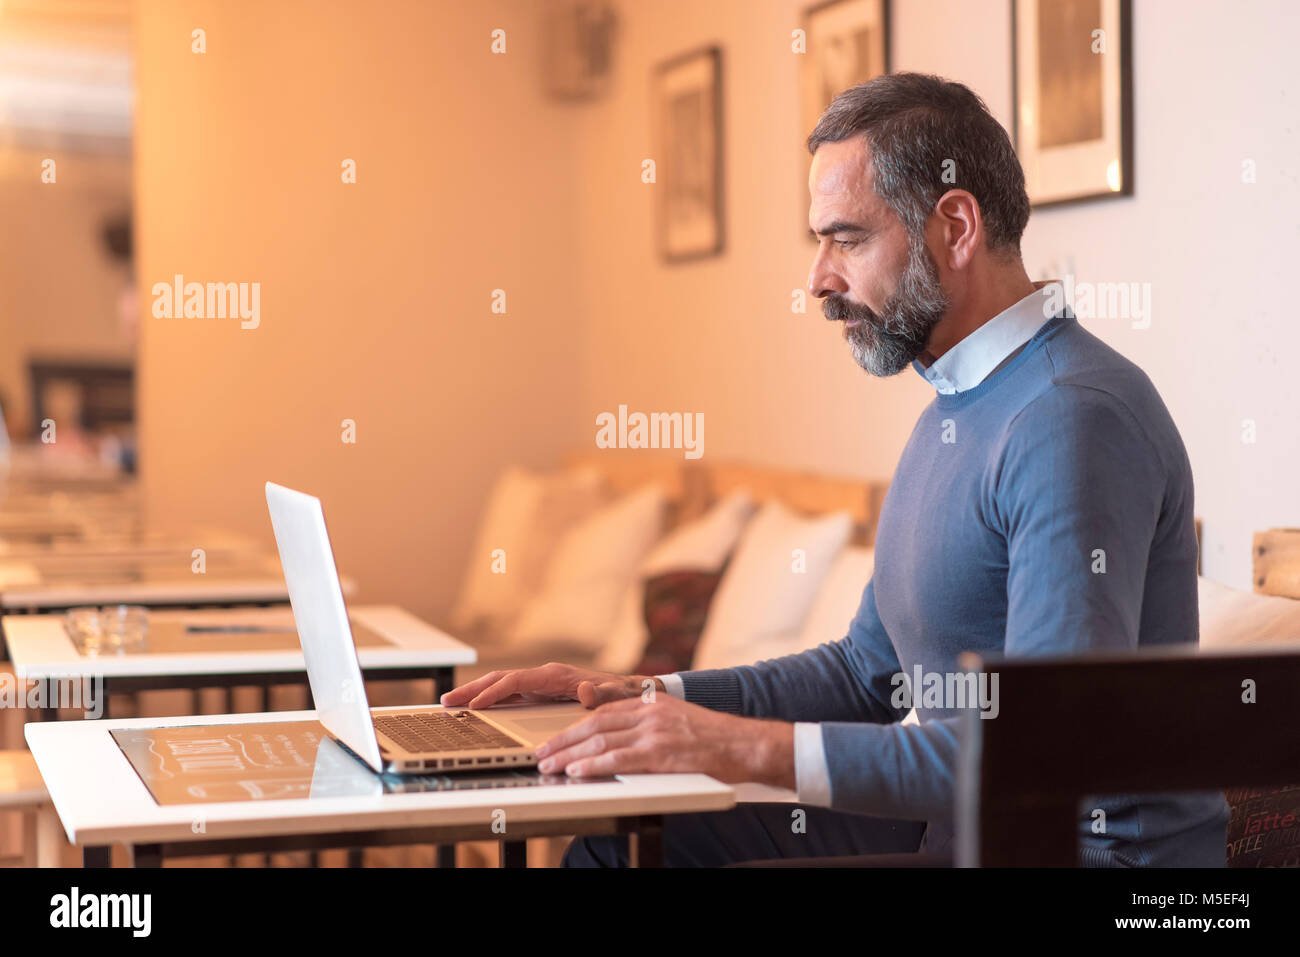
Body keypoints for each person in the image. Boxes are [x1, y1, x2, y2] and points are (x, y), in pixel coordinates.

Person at [441, 72, 1230, 867]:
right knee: (622, 850)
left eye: (845, 239)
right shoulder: (956, 407)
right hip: (967, 833)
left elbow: (1041, 756)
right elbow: (867, 672)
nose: (818, 278)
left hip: (1087, 864)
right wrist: (649, 698)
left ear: (954, 227)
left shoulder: (1071, 417)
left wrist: (743, 749)